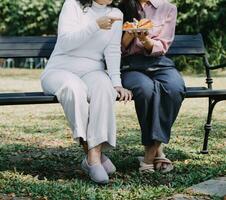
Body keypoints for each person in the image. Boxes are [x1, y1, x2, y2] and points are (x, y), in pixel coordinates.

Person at [40, 0, 132, 184]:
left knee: (104, 87)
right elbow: (65, 43)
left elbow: (113, 50)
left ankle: (93, 156)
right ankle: (94, 157)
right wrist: (95, 25)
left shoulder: (116, 14)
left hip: (92, 70)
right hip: (60, 70)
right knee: (74, 88)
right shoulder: (72, 5)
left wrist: (116, 83)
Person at [118, 0, 186, 173]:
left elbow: (162, 45)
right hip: (131, 65)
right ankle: (157, 152)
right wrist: (129, 36)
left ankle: (150, 152)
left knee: (174, 87)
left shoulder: (168, 8)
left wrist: (145, 40)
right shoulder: (121, 7)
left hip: (159, 63)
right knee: (145, 89)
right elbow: (114, 49)